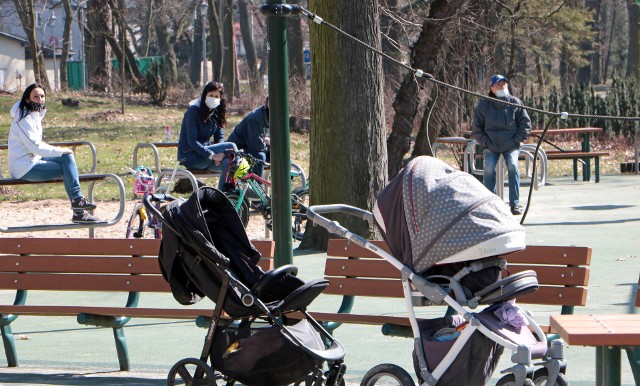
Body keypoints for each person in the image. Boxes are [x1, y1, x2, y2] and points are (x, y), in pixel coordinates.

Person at [8, 83, 98, 224]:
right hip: (24, 167)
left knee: (67, 157)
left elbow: (37, 148)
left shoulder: (34, 115)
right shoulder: (23, 119)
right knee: (66, 167)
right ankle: (78, 208)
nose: (39, 99)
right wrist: (59, 150)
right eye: (35, 97)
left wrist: (62, 152)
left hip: (33, 159)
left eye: (42, 96)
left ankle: (78, 204)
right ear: (27, 99)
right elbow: (35, 147)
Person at [471, 74, 531, 215]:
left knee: (513, 166)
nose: (502, 87)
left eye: (504, 84)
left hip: (511, 144)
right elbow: (477, 129)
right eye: (498, 85)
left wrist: (515, 140)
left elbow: (525, 125)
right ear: (492, 88)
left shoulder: (515, 102)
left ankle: (515, 204)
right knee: (489, 169)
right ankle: (488, 203)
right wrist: (486, 143)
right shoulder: (483, 105)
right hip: (491, 145)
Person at [177, 81, 238, 190]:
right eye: (211, 95)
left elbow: (220, 138)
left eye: (216, 96)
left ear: (220, 99)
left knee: (228, 162)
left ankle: (223, 196)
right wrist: (212, 155)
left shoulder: (216, 114)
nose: (213, 98)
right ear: (205, 95)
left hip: (206, 158)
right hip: (190, 157)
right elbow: (192, 141)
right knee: (231, 147)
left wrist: (219, 153)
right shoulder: (193, 111)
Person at [227, 96, 270, 178]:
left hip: (256, 148)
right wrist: (267, 143)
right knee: (260, 156)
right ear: (267, 104)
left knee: (280, 155)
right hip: (238, 151)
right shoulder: (255, 118)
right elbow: (256, 146)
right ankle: (256, 188)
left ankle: (285, 185)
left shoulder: (277, 117)